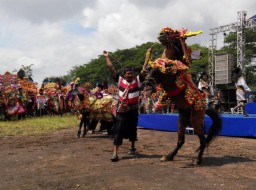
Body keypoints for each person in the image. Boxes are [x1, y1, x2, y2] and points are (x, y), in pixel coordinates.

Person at [103, 50, 147, 162]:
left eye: (131, 73)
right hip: (122, 110)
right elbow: (111, 68)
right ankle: (115, 153)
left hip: (133, 110)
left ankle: (132, 147)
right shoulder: (120, 80)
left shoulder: (138, 81)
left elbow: (144, 70)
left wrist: (147, 57)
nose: (130, 75)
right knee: (118, 129)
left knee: (133, 129)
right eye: (128, 74)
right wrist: (107, 57)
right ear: (124, 75)